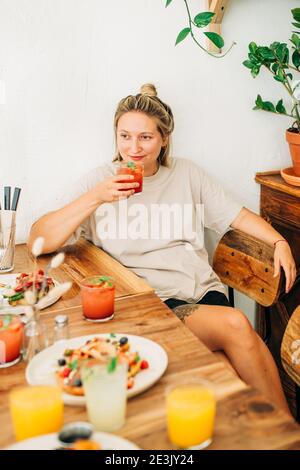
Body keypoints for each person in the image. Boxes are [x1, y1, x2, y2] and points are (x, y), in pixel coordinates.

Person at [28, 83, 296, 415]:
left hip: (203, 295)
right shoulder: (101, 180)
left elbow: (236, 215)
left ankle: (276, 434)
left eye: (145, 137)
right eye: (124, 136)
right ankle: (287, 434)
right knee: (238, 327)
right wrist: (97, 197)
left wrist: (279, 241)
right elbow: (39, 240)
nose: (133, 148)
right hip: (153, 304)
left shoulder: (186, 174)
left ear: (164, 139)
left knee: (226, 367)